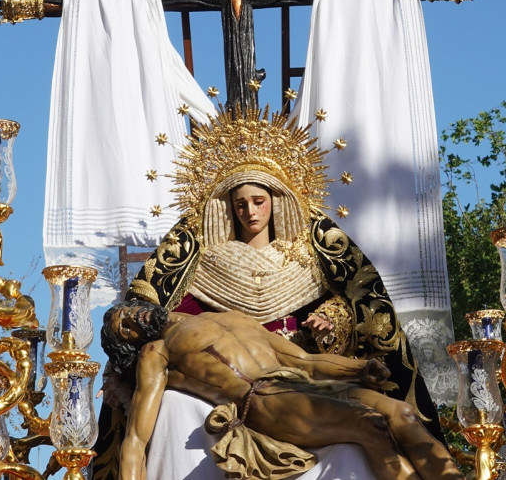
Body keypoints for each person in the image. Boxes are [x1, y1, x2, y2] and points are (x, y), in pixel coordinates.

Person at [92, 106, 447, 479]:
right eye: (239, 204)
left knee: (397, 416)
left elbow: (359, 304)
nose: (250, 212)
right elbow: (149, 310)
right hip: (249, 392)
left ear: (277, 200)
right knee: (178, 408)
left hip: (297, 369)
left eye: (259, 201)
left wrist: (334, 323)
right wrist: (121, 377)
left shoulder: (314, 253)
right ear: (227, 208)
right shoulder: (201, 264)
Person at [102, 300, 463, 480]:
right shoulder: (157, 353)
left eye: (129, 313)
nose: (134, 319)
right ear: (130, 345)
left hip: (298, 383)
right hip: (263, 400)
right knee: (370, 425)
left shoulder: (232, 317)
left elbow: (305, 361)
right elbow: (135, 439)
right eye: (126, 329)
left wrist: (358, 368)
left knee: (402, 413)